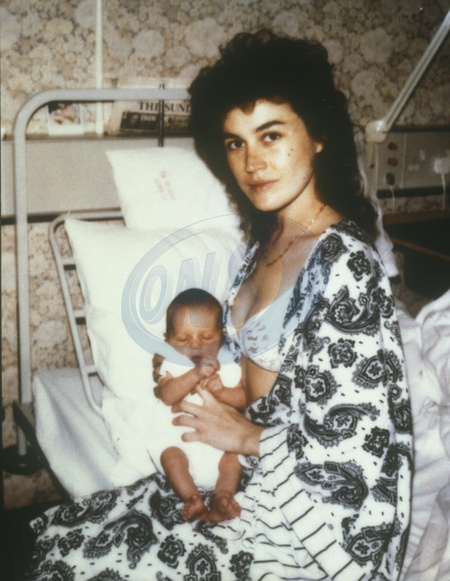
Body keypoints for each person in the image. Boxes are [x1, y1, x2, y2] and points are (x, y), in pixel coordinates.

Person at [26, 30, 412, 580]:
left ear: (319, 135)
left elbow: (361, 450)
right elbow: (252, 377)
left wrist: (246, 437)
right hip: (253, 473)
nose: (253, 162)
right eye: (236, 143)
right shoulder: (266, 241)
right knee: (73, 541)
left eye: (271, 135)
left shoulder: (345, 266)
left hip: (313, 523)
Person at [152, 288, 246, 522]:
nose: (195, 346)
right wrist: (193, 375)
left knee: (233, 458)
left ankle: (222, 498)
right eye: (183, 339)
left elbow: (244, 399)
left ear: (221, 337)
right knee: (171, 457)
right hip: (181, 443)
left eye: (205, 338)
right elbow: (167, 395)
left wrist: (223, 392)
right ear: (168, 341)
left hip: (221, 445)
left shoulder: (228, 366)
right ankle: (192, 499)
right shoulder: (173, 365)